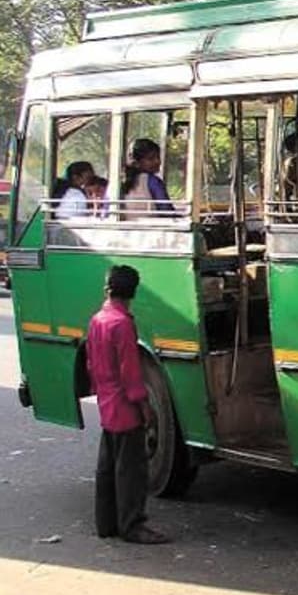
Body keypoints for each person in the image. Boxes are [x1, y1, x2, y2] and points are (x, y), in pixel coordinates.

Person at [87, 265, 169, 545]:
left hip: (107, 402)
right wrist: (145, 407)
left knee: (108, 466)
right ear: (133, 292)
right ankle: (132, 525)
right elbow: (130, 373)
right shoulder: (122, 324)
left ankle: (106, 523)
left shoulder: (98, 319)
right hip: (124, 407)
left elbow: (91, 364)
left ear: (107, 288)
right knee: (131, 470)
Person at [121, 139, 174, 218]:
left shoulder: (118, 182)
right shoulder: (153, 182)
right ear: (137, 163)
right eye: (151, 158)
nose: (157, 161)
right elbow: (167, 211)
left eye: (158, 157)